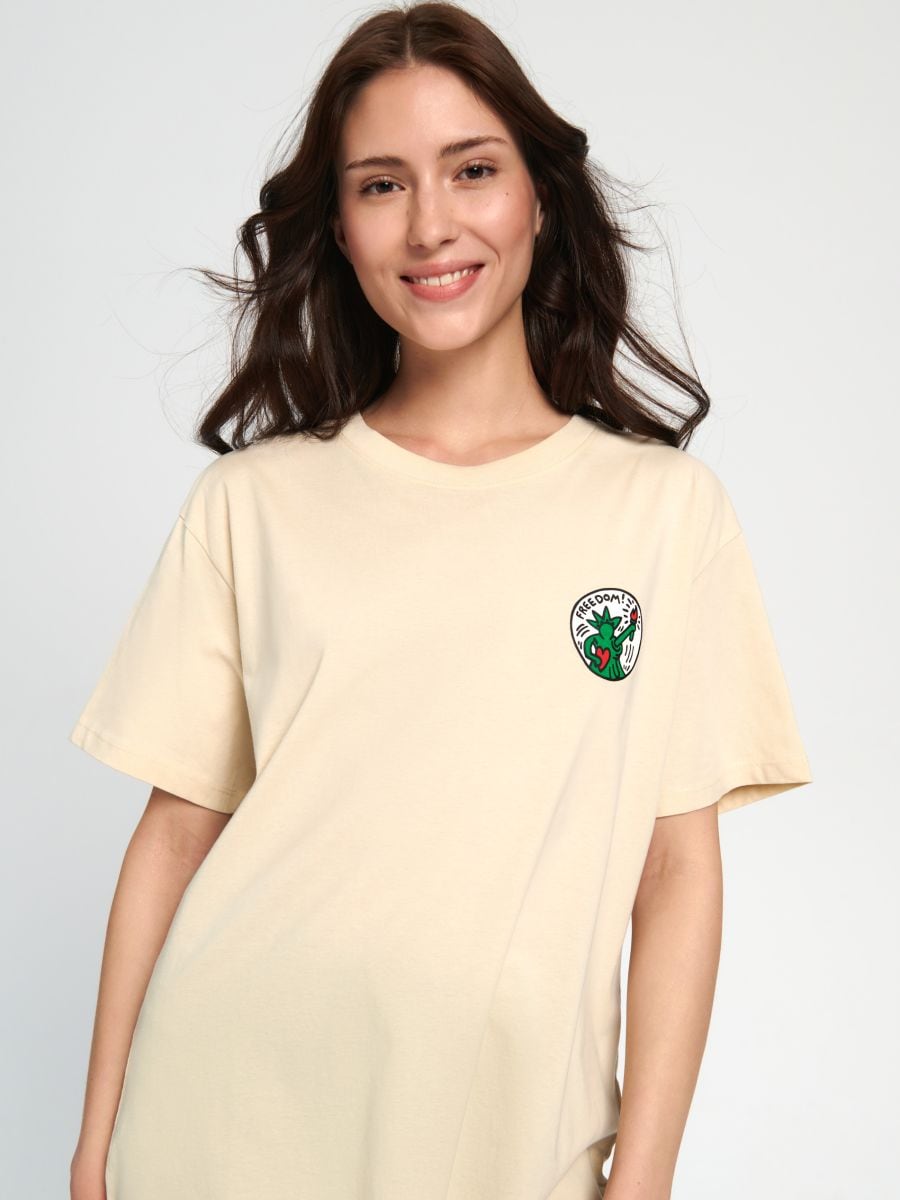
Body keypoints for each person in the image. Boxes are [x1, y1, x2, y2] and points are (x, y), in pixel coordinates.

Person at [67, 4, 813, 1199]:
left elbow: (677, 869)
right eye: (381, 184)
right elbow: (173, 834)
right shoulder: (253, 506)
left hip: (507, 1138)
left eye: (472, 169)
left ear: (539, 198)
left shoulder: (663, 516)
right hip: (223, 1116)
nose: (430, 224)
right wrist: (97, 1145)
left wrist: (645, 1176)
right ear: (340, 228)